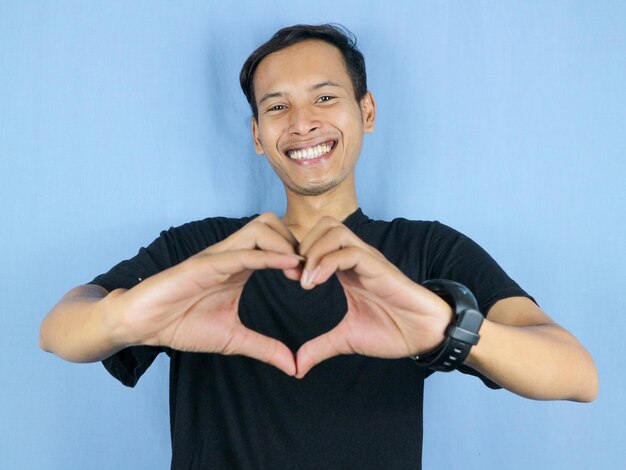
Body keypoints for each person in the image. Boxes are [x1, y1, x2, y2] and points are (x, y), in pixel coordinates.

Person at [40, 24, 598, 469]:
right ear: (257, 135)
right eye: (277, 106)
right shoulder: (203, 250)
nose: (303, 123)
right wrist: (128, 316)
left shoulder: (428, 250)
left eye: (325, 97)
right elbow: (60, 329)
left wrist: (442, 327)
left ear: (367, 111)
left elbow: (575, 374)